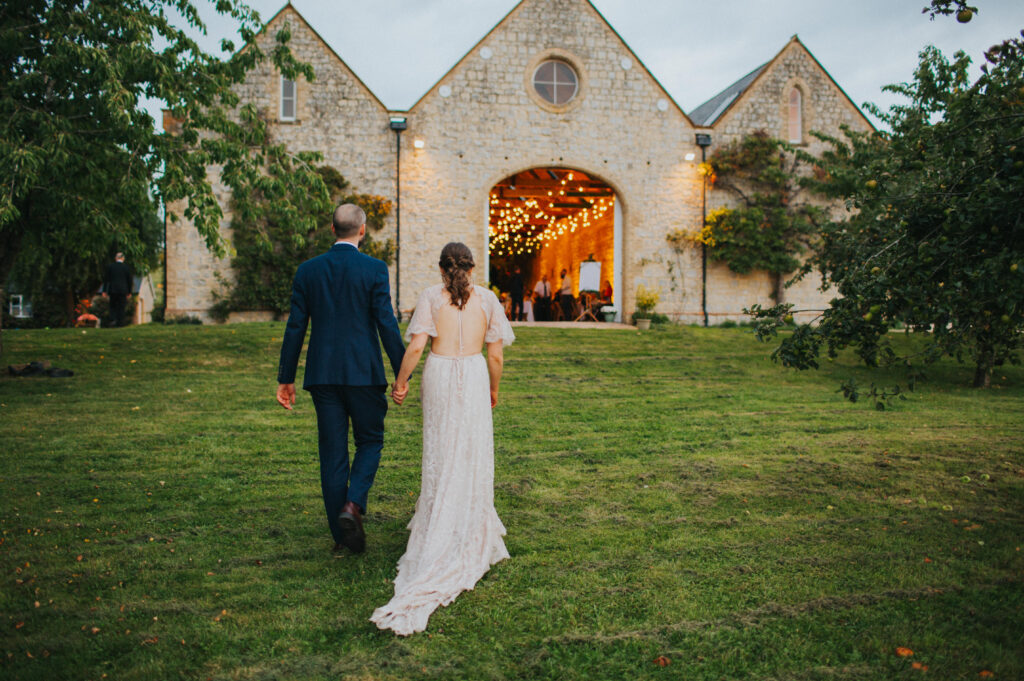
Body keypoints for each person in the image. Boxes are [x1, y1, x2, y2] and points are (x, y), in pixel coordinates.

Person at [371, 242, 514, 636]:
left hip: (438, 374)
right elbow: (496, 356)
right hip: (472, 376)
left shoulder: (431, 297)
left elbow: (417, 345)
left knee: (440, 448)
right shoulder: (487, 300)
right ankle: (465, 518)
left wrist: (400, 382)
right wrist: (495, 389)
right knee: (468, 449)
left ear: (441, 269)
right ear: (472, 266)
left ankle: (438, 518)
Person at [276, 203, 405, 555]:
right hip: (364, 373)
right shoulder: (375, 269)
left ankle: (341, 537)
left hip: (322, 375)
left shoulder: (308, 270)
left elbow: (295, 326)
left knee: (333, 454)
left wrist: (286, 377)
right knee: (370, 441)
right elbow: (386, 323)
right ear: (362, 231)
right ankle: (353, 506)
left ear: (333, 230)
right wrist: (401, 372)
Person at [102, 252, 133, 327]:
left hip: (113, 290)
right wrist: (129, 291)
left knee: (112, 306)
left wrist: (104, 291)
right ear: (123, 258)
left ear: (116, 258)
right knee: (121, 307)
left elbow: (106, 280)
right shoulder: (126, 267)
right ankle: (120, 323)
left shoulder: (110, 267)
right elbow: (129, 280)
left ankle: (113, 320)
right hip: (123, 290)